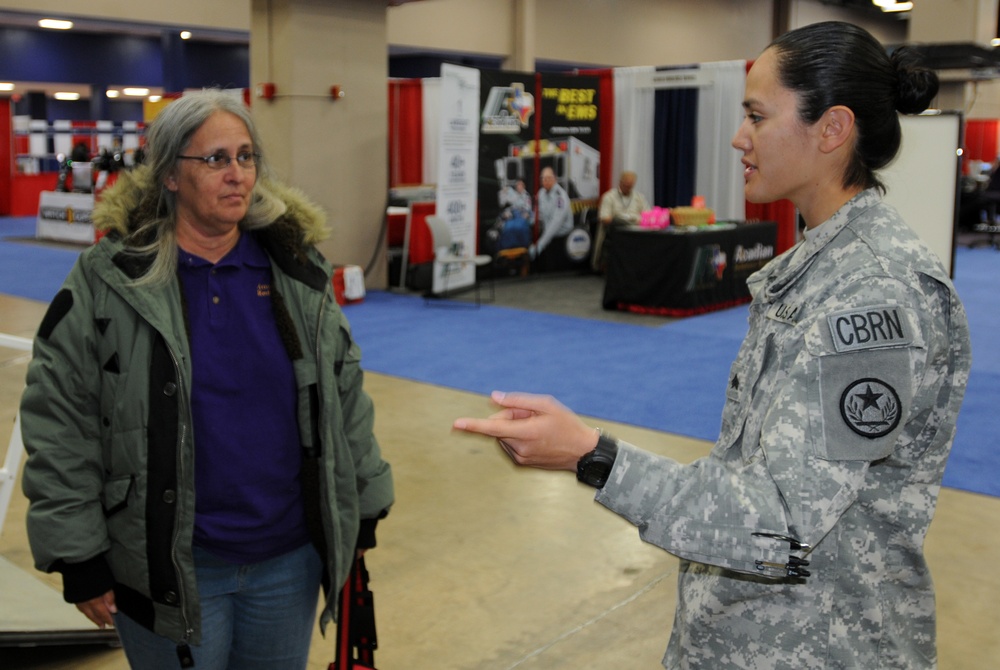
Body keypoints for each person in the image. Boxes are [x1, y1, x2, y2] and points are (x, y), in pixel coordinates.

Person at [453, 21, 971, 669]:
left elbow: (778, 522)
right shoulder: (823, 266)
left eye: (757, 116)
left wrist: (594, 456)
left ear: (832, 130)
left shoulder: (872, 292)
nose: (738, 137)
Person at [19, 89, 394, 669]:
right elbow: (59, 415)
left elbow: (342, 391)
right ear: (170, 175)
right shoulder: (112, 280)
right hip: (166, 562)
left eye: (246, 157)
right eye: (216, 159)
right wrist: (77, 553)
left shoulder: (296, 270)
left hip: (286, 559)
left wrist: (363, 502)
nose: (238, 174)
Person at [592, 170, 649, 271]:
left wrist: (635, 220)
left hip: (637, 230)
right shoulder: (609, 197)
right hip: (616, 231)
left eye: (630, 186)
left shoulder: (639, 197)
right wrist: (621, 220)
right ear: (620, 182)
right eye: (626, 185)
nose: (628, 188)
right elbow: (604, 218)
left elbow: (648, 215)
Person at [531, 166, 574, 263]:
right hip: (548, 237)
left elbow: (555, 223)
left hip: (561, 240)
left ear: (555, 179)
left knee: (557, 269)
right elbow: (539, 213)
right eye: (543, 178)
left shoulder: (561, 197)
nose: (545, 181)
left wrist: (541, 244)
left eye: (548, 178)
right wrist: (532, 219)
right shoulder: (541, 193)